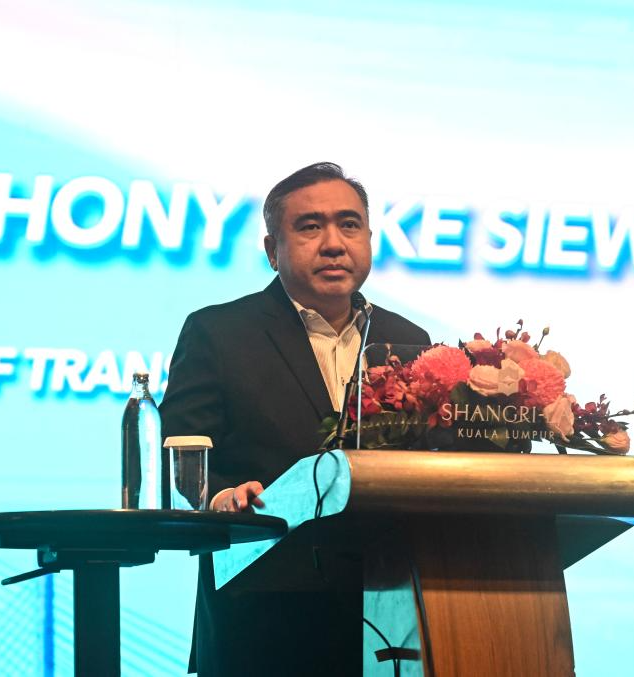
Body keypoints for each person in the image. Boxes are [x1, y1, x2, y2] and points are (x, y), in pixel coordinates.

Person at [159, 162, 431, 675]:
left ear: (369, 239)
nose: (333, 244)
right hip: (262, 613)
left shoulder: (410, 340)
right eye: (310, 227)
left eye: (349, 225)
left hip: (390, 614)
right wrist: (221, 497)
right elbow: (183, 448)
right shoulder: (219, 332)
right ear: (271, 250)